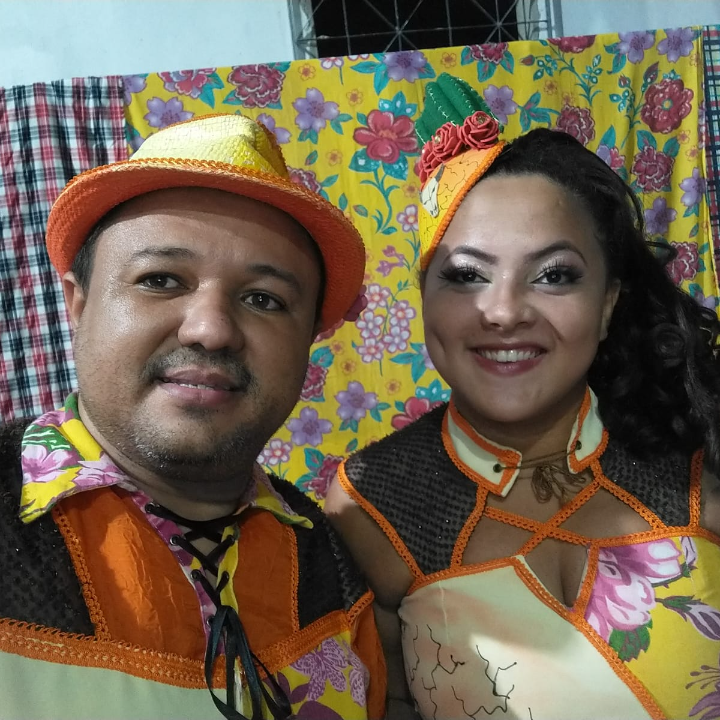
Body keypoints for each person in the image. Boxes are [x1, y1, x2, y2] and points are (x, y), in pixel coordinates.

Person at [326, 73, 720, 720]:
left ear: (607, 304)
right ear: (425, 299)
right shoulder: (370, 502)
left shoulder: (702, 449)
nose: (504, 311)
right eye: (466, 275)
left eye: (554, 275)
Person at [0, 114, 385, 720]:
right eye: (160, 280)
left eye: (263, 299)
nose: (211, 330)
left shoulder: (333, 566)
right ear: (79, 303)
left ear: (308, 341)